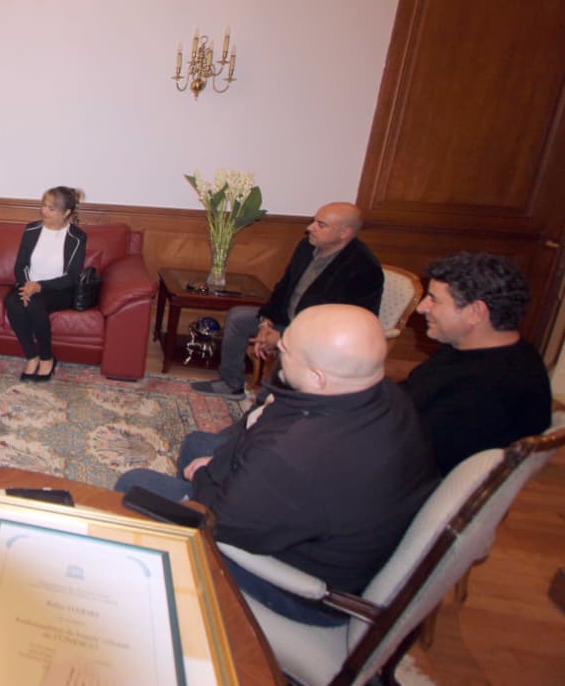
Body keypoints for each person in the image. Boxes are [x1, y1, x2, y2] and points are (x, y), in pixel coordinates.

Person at [116, 304, 438, 625]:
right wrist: (222, 462)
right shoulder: (389, 397)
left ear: (317, 377)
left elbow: (220, 519)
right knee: (198, 444)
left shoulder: (294, 454)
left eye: (285, 349)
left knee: (135, 486)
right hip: (327, 539)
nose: (275, 351)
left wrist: (205, 474)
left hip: (300, 590)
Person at [193, 201, 384, 399]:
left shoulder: (363, 267)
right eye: (313, 221)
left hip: (319, 337)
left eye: (321, 225)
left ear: (344, 233)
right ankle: (231, 383)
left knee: (275, 390)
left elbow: (348, 326)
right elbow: (283, 287)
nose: (310, 228)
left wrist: (285, 337)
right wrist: (267, 322)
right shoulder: (306, 247)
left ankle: (274, 400)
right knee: (239, 317)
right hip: (285, 320)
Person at [401, 253, 552, 474]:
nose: (421, 307)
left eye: (434, 299)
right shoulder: (469, 348)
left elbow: (415, 455)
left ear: (476, 312)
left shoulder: (489, 389)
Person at [5, 187, 87, 382]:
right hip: (28, 284)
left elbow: (72, 276)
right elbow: (20, 265)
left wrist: (39, 287)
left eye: (51, 208)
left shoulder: (77, 237)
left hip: (59, 290)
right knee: (12, 302)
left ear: (66, 212)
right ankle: (31, 355)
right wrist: (27, 286)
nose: (44, 211)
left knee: (35, 305)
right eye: (43, 205)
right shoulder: (32, 230)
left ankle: (47, 357)